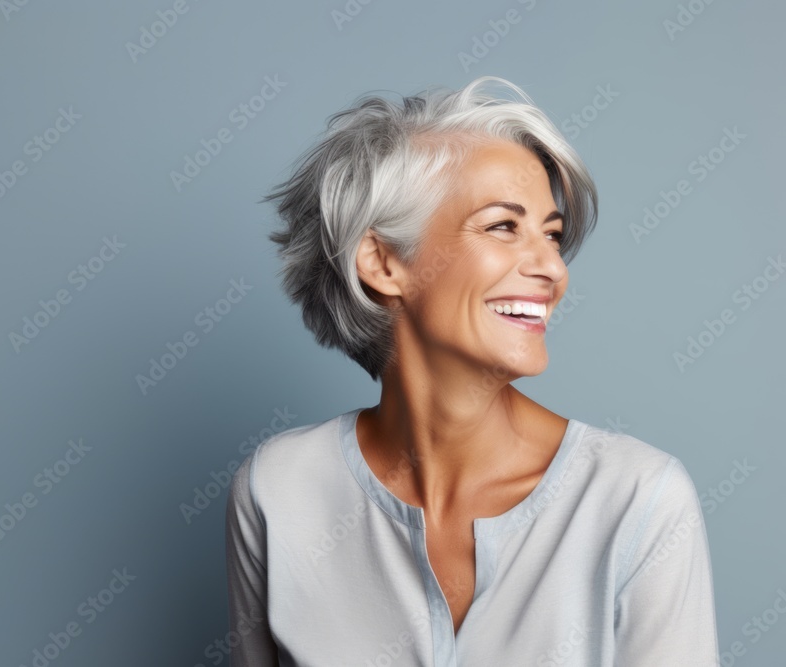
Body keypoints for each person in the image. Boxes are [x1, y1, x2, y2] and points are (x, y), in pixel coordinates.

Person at [225, 77, 720, 666]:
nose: (552, 269)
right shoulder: (277, 491)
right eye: (502, 226)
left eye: (553, 235)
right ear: (383, 262)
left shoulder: (638, 500)